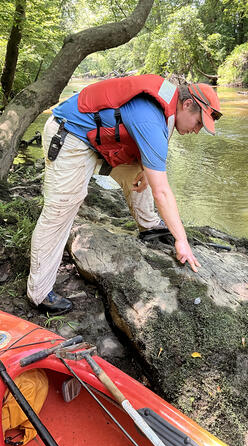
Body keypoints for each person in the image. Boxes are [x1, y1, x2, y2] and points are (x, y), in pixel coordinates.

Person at [27, 74, 222, 314]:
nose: (197, 130)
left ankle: (149, 226)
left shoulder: (167, 107)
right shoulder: (150, 117)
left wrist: (142, 169)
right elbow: (162, 191)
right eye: (199, 122)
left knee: (149, 172)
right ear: (188, 104)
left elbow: (150, 162)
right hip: (72, 136)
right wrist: (181, 240)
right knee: (60, 211)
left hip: (102, 139)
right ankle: (39, 292)